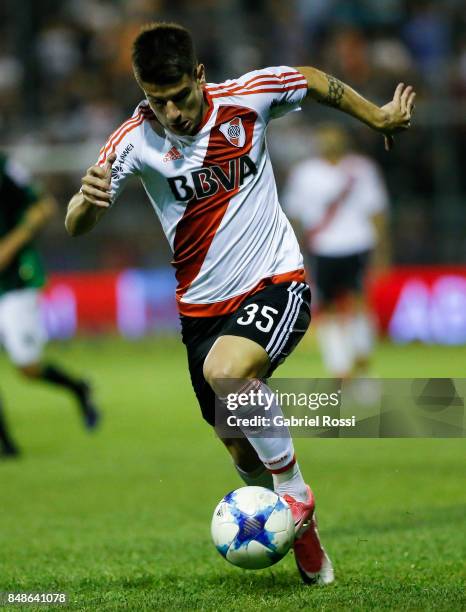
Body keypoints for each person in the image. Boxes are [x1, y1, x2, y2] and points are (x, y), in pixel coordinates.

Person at [65, 22, 415, 584]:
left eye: (180, 96)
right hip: (201, 311)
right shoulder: (134, 139)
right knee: (241, 447)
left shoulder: (248, 97)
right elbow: (77, 222)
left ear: (199, 76)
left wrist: (376, 116)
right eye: (158, 101)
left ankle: (297, 495)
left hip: (277, 281)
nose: (172, 113)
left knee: (226, 371)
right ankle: (303, 533)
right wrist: (86, 202)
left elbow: (311, 79)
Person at [0, 153, 100, 458]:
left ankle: (78, 388)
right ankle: (6, 445)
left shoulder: (6, 168)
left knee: (28, 366)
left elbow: (44, 207)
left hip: (15, 280)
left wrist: (9, 246)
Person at [283, 123, 390, 378]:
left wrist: (382, 250)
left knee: (359, 305)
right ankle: (339, 368)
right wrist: (295, 252)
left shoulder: (362, 169)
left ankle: (362, 368)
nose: (329, 140)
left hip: (357, 243)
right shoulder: (305, 173)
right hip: (323, 248)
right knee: (328, 308)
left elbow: (377, 212)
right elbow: (294, 216)